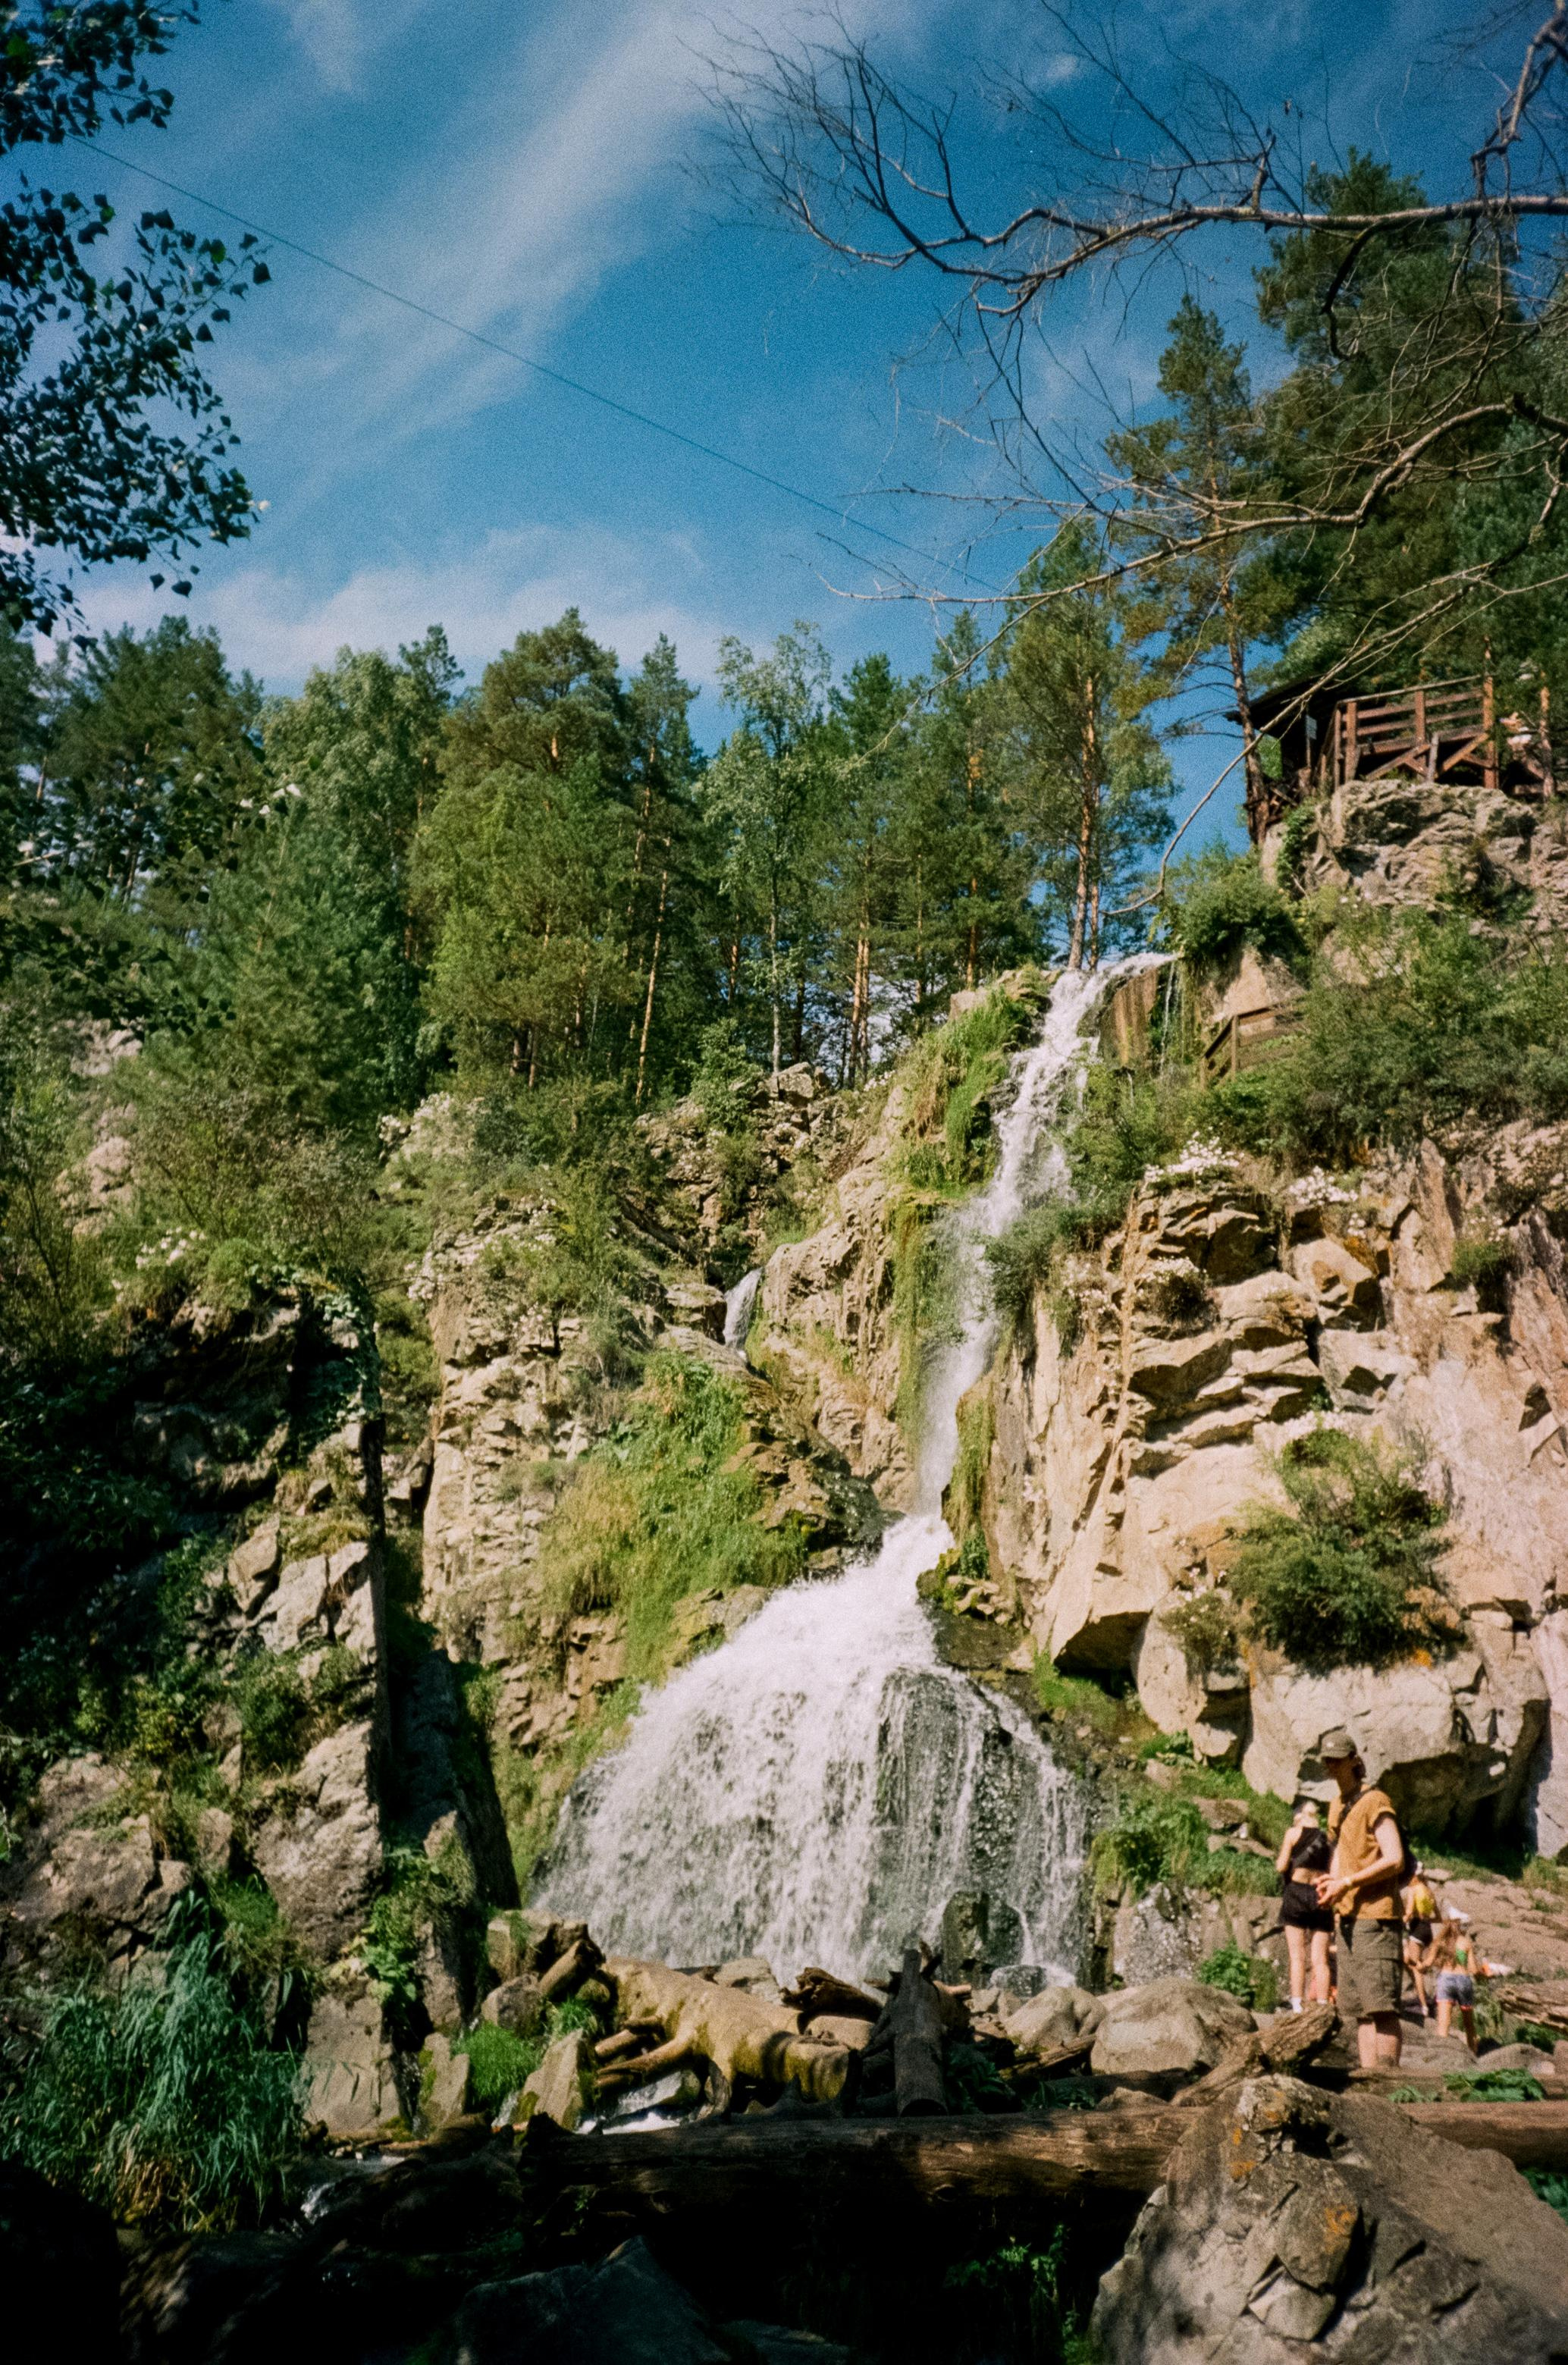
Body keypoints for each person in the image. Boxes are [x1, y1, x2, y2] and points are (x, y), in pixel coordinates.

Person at [1314, 1727, 1407, 2069]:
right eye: (1327, 1760)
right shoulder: (1337, 1804)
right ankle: (1371, 2084)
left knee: (1381, 2008)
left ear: (1354, 1760)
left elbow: (1394, 1857)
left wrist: (1348, 1882)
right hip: (1350, 1919)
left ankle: (1388, 2079)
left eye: (1338, 1760)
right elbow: (1340, 1849)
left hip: (1377, 1917)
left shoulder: (1375, 1801)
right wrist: (1332, 1883)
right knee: (1359, 2013)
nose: (1331, 1767)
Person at [1275, 1801, 1334, 2009]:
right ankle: (1323, 2003)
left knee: (1297, 1956)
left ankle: (1297, 2004)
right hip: (1320, 1894)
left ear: (1299, 1815)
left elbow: (1281, 1865)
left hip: (1296, 1893)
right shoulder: (1328, 1838)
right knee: (1320, 1958)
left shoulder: (1293, 1833)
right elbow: (1332, 1870)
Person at [1422, 1919, 1480, 2053]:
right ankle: (1474, 2054)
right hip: (1463, 1980)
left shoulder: (1440, 1941)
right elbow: (1474, 1970)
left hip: (1446, 1979)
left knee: (1443, 2023)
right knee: (1469, 2024)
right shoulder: (1466, 1942)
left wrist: (1418, 1965)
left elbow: (1428, 1963)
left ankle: (1442, 2055)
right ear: (1461, 1927)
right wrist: (1484, 1974)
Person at [1403, 1863, 1438, 2019]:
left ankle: (1423, 2006)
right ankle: (1423, 1996)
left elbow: (1409, 1911)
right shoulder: (1429, 1890)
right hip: (1427, 1930)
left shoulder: (1413, 1889)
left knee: (1416, 1969)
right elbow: (1438, 1917)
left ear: (1414, 1876)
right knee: (1408, 1961)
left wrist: (1400, 1922)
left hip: (1416, 1929)